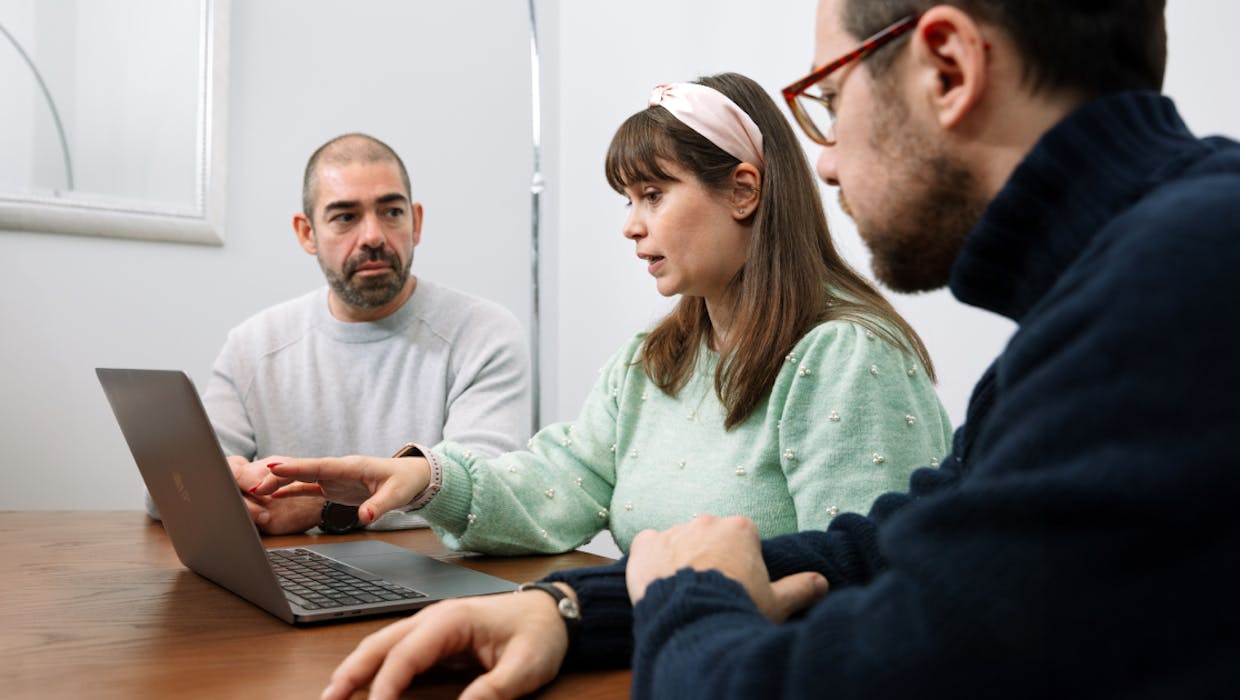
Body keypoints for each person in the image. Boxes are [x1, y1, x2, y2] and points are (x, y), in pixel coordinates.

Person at [313, 2, 1240, 699]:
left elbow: (865, 663)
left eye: (830, 100)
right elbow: (882, 550)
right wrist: (565, 608)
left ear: (949, 68)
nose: (826, 161)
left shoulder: (1177, 288)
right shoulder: (1108, 302)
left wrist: (678, 601)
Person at [253, 73, 951, 555]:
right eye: (628, 200)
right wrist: (424, 478)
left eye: (652, 194)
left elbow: (862, 590)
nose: (631, 226)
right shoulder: (654, 361)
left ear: (743, 191)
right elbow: (558, 486)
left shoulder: (845, 358)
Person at [146, 132, 532, 535]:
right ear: (306, 233)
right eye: (345, 217)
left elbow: (486, 494)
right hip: (290, 579)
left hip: (442, 581)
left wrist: (326, 508)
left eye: (392, 212)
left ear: (416, 223)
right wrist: (225, 485)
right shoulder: (253, 345)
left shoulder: (483, 333)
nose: (373, 237)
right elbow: (165, 492)